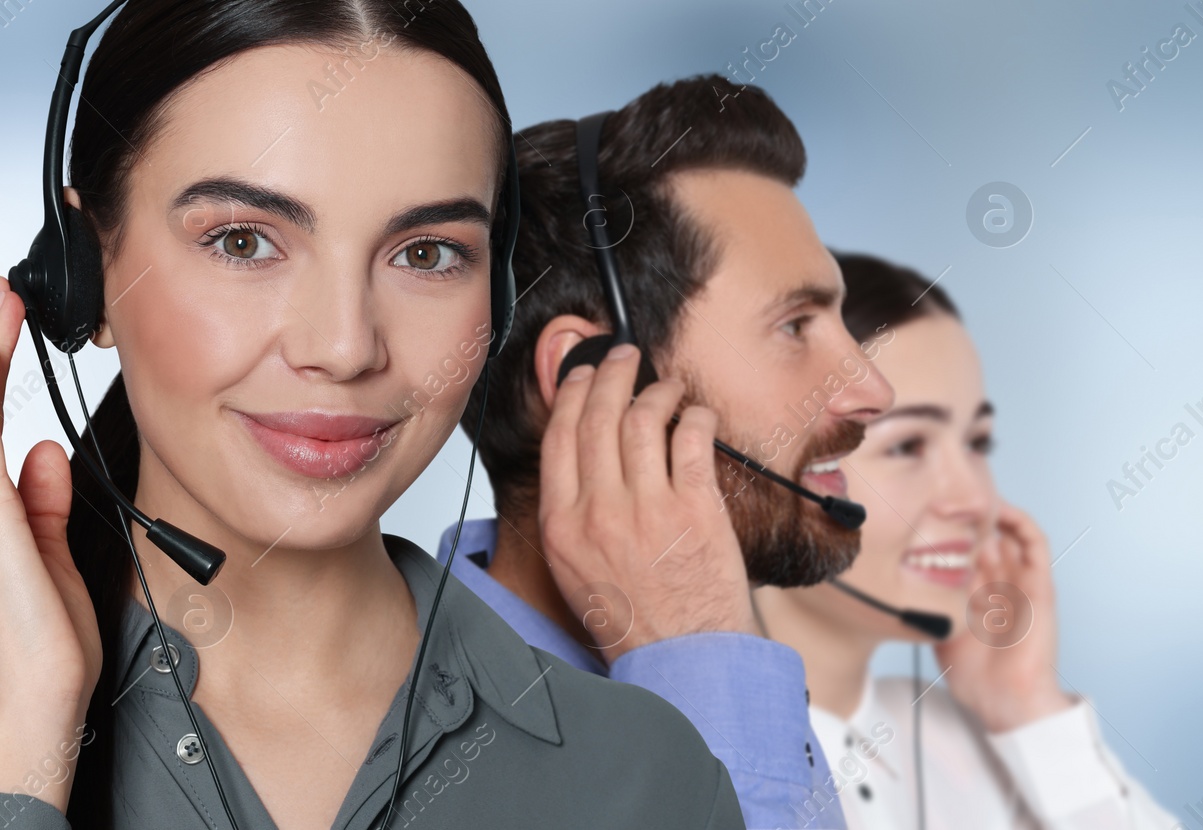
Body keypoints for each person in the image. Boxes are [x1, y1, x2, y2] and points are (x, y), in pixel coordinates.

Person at [0, 2, 743, 828]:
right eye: (244, 241)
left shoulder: (646, 778)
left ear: (495, 296)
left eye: (426, 255)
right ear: (83, 276)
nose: (345, 347)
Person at [437, 75, 894, 829]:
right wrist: (701, 659)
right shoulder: (423, 751)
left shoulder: (715, 676)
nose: (871, 389)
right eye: (794, 327)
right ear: (592, 377)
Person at [753, 253, 1178, 830]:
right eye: (908, 447)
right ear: (767, 466)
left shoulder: (982, 740)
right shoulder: (688, 749)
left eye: (976, 443)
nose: (974, 500)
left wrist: (1026, 705)